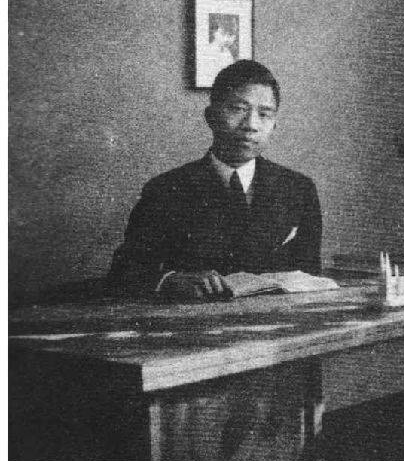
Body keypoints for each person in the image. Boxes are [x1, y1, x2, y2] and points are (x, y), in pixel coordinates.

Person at [107, 60, 322, 300]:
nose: (251, 125)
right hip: (194, 319)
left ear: (274, 126)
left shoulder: (299, 189)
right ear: (211, 117)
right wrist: (170, 280)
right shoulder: (166, 189)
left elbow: (310, 276)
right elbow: (124, 272)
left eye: (264, 114)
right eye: (238, 109)